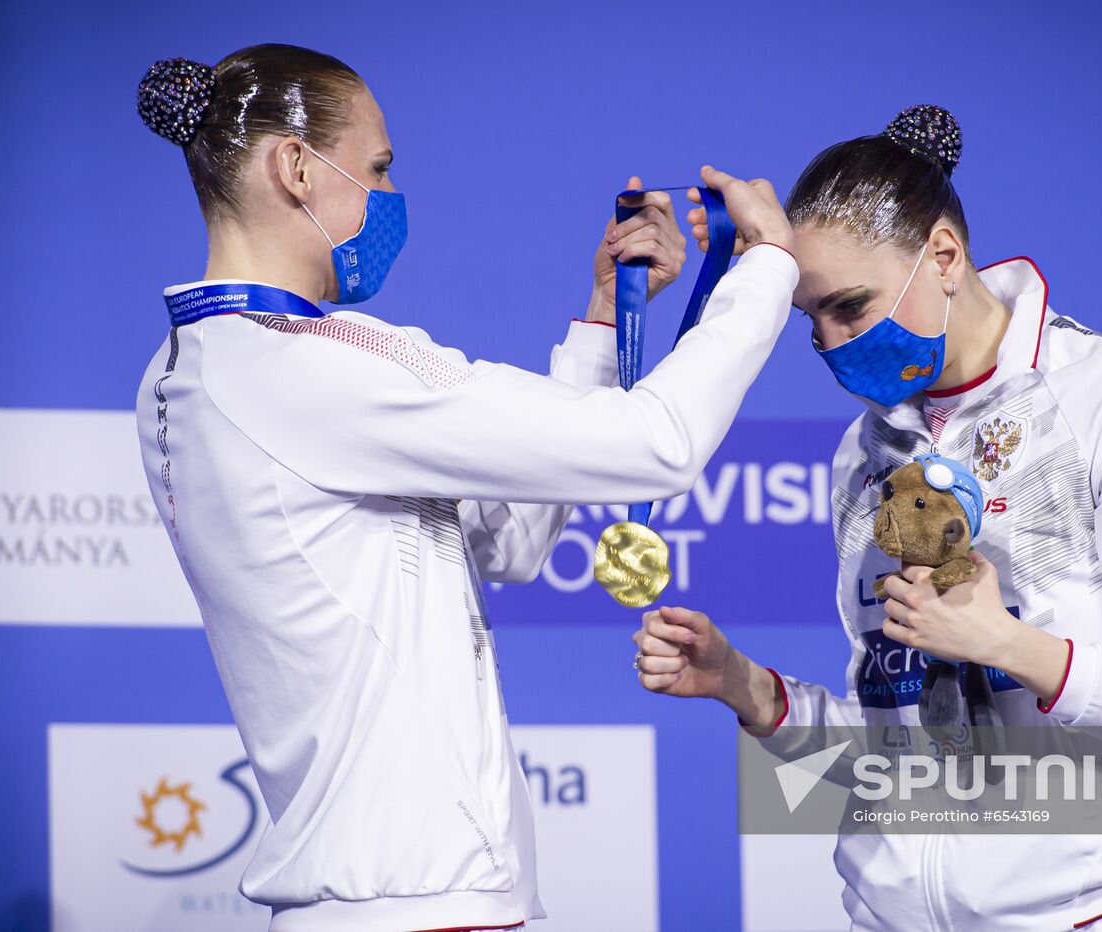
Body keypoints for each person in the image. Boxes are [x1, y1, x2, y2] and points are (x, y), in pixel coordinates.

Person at [133, 44, 797, 932]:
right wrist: (764, 269)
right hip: (418, 904)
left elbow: (509, 545)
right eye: (376, 169)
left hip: (376, 898)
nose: (389, 195)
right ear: (296, 167)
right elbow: (659, 444)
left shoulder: (185, 370)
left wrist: (604, 320)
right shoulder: (306, 368)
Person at [634, 104, 1102, 930]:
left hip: (1091, 909)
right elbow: (903, 748)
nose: (830, 343)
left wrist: (1010, 646)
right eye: (809, 321)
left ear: (946, 257)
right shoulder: (863, 454)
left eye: (850, 307)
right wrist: (751, 690)